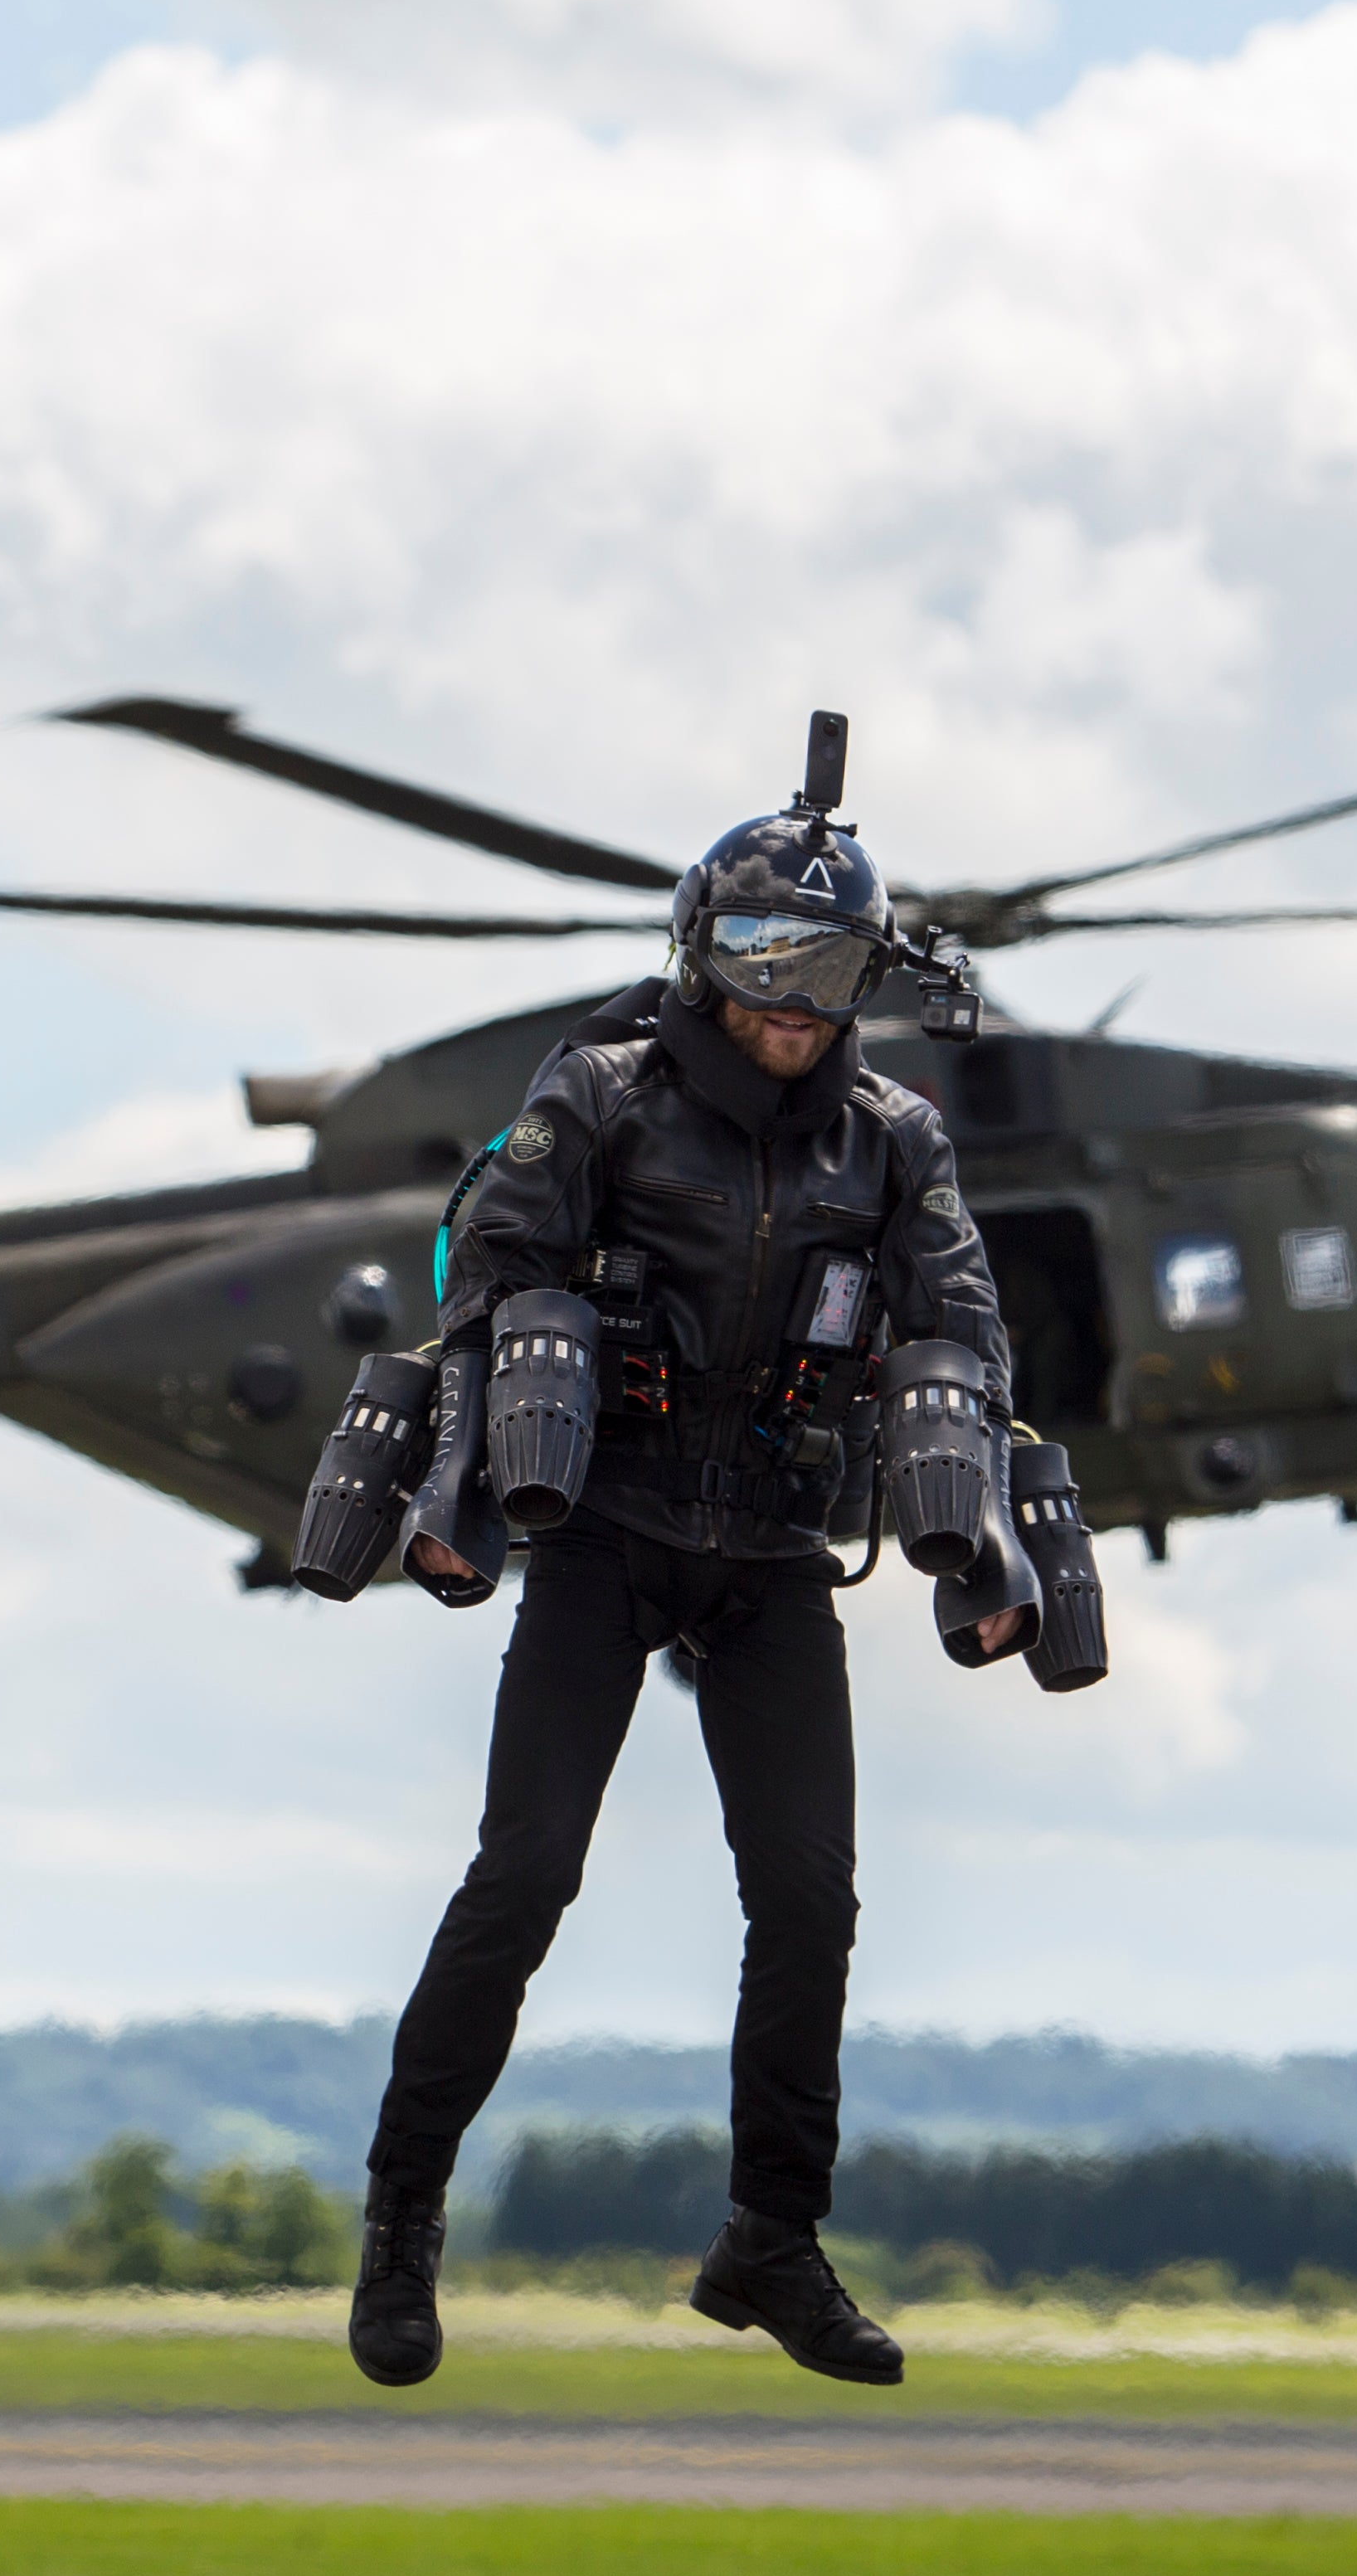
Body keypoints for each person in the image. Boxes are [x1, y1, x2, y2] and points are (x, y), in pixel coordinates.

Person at [351, 749, 1020, 2391]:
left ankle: (770, 2242)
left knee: (811, 1903)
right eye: (771, 968)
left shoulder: (894, 1141)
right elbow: (486, 1283)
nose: (798, 1009)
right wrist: (462, 1497)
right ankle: (402, 2215)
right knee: (524, 1881)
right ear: (707, 960)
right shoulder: (599, 1095)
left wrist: (984, 1530)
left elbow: (959, 1321)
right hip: (611, 1536)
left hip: (777, 1550)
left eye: (834, 975)